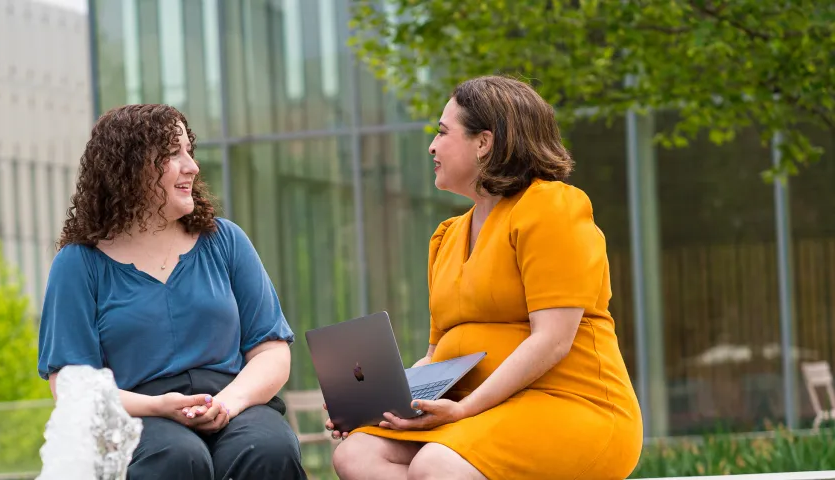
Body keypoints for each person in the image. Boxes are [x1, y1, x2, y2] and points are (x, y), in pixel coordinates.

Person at [325, 76, 644, 479]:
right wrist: (372, 401)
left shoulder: (551, 208)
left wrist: (465, 408)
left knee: (436, 464)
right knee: (356, 454)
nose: (432, 146)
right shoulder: (446, 237)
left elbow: (553, 339)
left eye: (443, 133)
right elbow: (437, 354)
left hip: (571, 404)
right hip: (474, 412)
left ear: (484, 142)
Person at [37, 104, 307, 480]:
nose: (192, 166)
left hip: (231, 400)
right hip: (137, 413)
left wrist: (225, 404)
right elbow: (72, 386)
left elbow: (271, 351)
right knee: (177, 457)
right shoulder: (79, 263)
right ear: (128, 170)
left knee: (267, 448)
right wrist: (158, 406)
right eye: (172, 154)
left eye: (189, 151)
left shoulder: (225, 241)